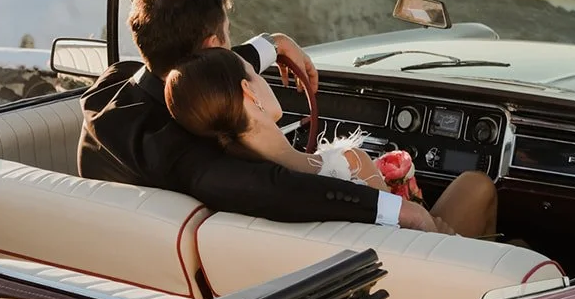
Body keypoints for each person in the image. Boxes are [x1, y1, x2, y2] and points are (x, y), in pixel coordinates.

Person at [79, 0, 496, 234]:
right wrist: (400, 211)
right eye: (228, 34)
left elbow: (199, 73)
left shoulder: (111, 91)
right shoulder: (193, 159)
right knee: (476, 187)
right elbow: (274, 189)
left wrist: (272, 45)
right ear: (212, 47)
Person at [165, 47, 497, 238]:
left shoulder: (217, 181)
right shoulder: (349, 164)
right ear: (249, 92)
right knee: (477, 185)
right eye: (255, 72)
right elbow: (407, 241)